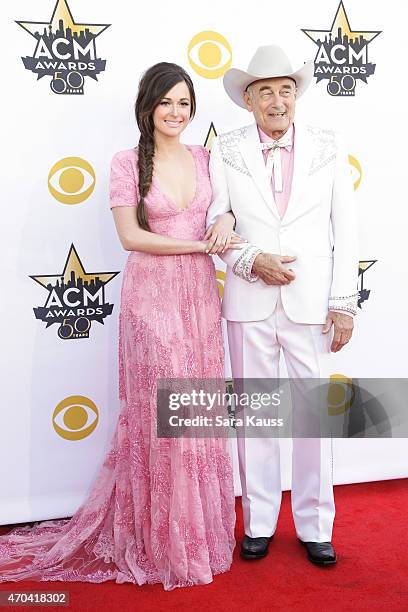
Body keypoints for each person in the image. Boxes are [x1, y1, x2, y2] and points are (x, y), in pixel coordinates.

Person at [0, 62, 243, 590]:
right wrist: (202, 244)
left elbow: (228, 209)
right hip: (151, 296)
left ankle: (195, 535)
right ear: (147, 108)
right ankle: (159, 540)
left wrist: (224, 221)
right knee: (160, 412)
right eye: (166, 103)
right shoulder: (126, 162)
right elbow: (131, 237)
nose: (176, 113)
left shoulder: (208, 157)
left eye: (184, 103)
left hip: (199, 298)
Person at [206, 45, 359, 565]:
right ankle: (260, 522)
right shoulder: (223, 149)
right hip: (249, 300)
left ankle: (317, 525)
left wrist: (344, 303)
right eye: (265, 91)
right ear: (248, 100)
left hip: (312, 303)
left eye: (285, 90)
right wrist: (252, 261)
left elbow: (347, 229)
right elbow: (216, 221)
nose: (277, 100)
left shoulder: (327, 146)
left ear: (297, 95)